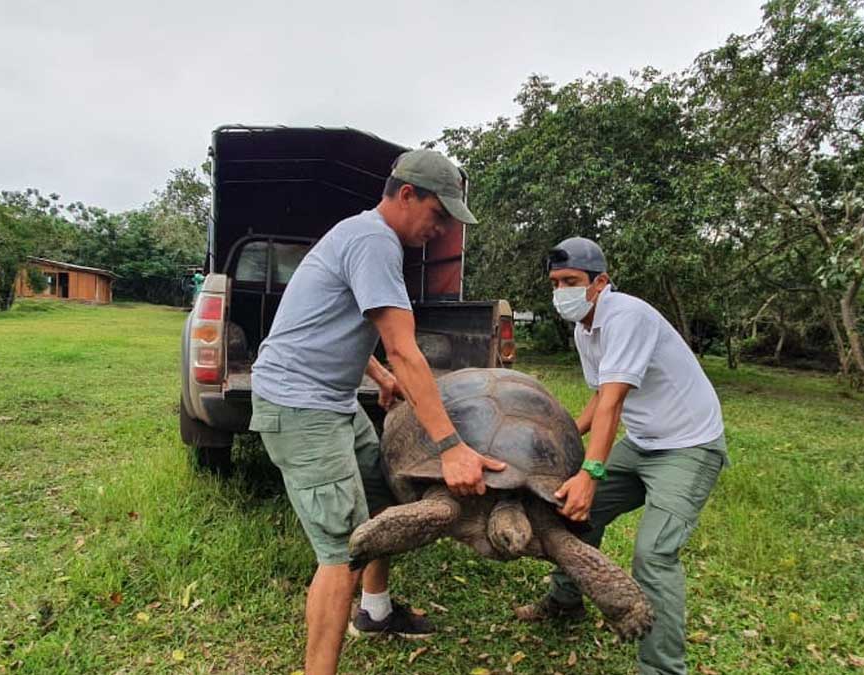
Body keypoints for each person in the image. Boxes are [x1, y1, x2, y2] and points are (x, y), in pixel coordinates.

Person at [249, 149, 507, 675]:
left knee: (382, 506)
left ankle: (375, 611)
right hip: (300, 406)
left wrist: (378, 376)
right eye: (439, 215)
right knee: (343, 551)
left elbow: (330, 319)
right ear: (407, 194)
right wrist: (452, 447)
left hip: (332, 400)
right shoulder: (374, 241)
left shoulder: (363, 235)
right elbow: (406, 349)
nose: (441, 230)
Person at [515, 237, 729, 675]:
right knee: (570, 514)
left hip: (689, 446)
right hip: (644, 441)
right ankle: (565, 601)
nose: (561, 292)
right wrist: (565, 436)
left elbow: (614, 402)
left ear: (600, 282)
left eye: (571, 281)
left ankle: (663, 669)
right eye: (556, 283)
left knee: (653, 555)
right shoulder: (584, 329)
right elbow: (598, 397)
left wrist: (590, 472)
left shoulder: (626, 316)